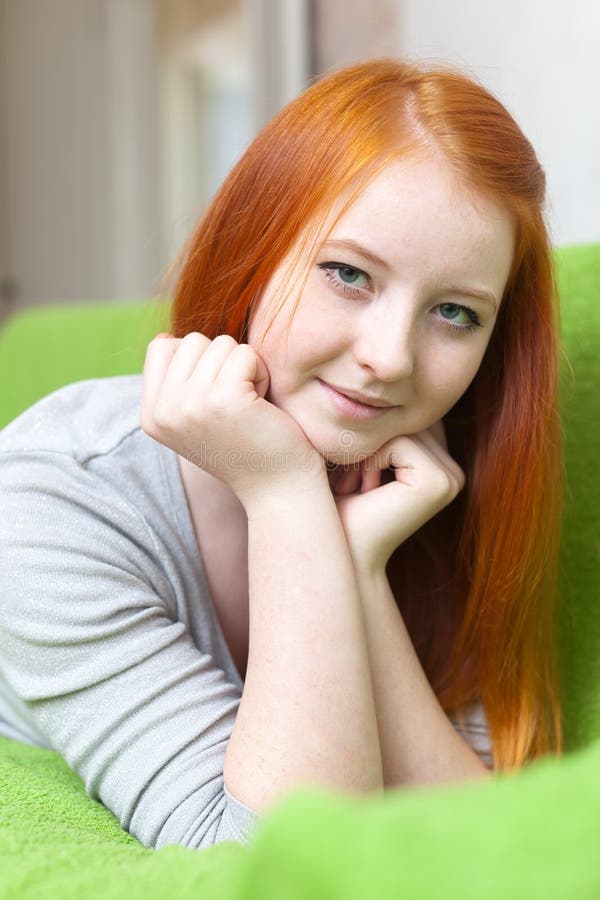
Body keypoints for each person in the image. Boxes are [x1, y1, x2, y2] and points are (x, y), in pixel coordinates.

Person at [0, 58, 563, 850]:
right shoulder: (47, 501)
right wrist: (285, 492)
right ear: (252, 255)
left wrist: (361, 569)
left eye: (454, 313)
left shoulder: (435, 474)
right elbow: (282, 860)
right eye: (348, 274)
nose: (392, 358)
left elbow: (493, 843)